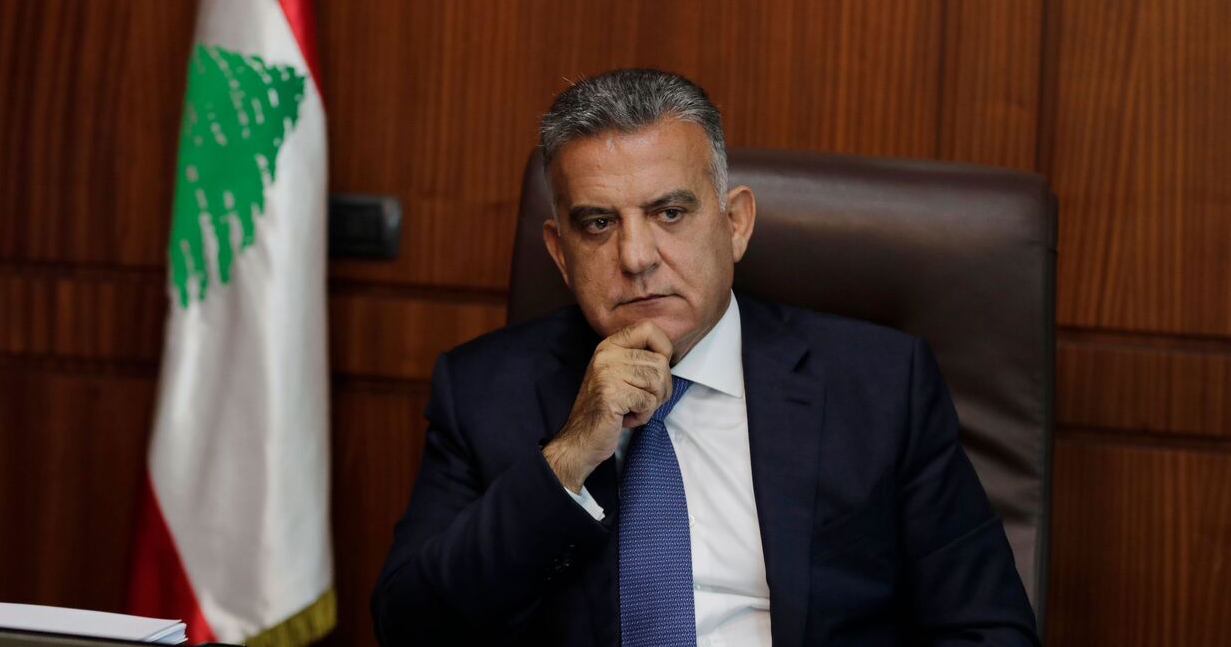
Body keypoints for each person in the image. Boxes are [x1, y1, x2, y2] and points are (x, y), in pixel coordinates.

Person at [372, 68, 1039, 646]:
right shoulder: (484, 391)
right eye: (599, 224)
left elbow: (984, 628)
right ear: (558, 252)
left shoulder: (878, 387)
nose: (635, 257)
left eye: (669, 213)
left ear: (736, 223)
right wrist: (568, 458)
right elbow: (412, 626)